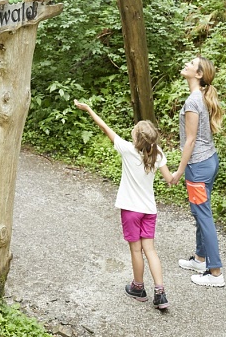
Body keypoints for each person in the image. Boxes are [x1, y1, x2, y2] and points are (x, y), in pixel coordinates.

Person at [74, 99, 173, 311]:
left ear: (137, 137)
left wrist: (89, 108)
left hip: (131, 210)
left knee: (136, 250)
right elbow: (170, 179)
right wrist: (181, 171)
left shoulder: (128, 150)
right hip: (149, 210)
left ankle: (138, 287)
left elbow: (104, 127)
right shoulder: (157, 153)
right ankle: (160, 292)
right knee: (151, 250)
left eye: (135, 129)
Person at [169, 56, 226, 287]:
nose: (187, 64)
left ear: (199, 74)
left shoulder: (193, 101)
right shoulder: (199, 97)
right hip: (209, 161)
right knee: (201, 213)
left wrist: (179, 171)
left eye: (191, 64)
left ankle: (215, 273)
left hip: (199, 167)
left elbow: (190, 141)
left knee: (203, 216)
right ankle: (201, 259)